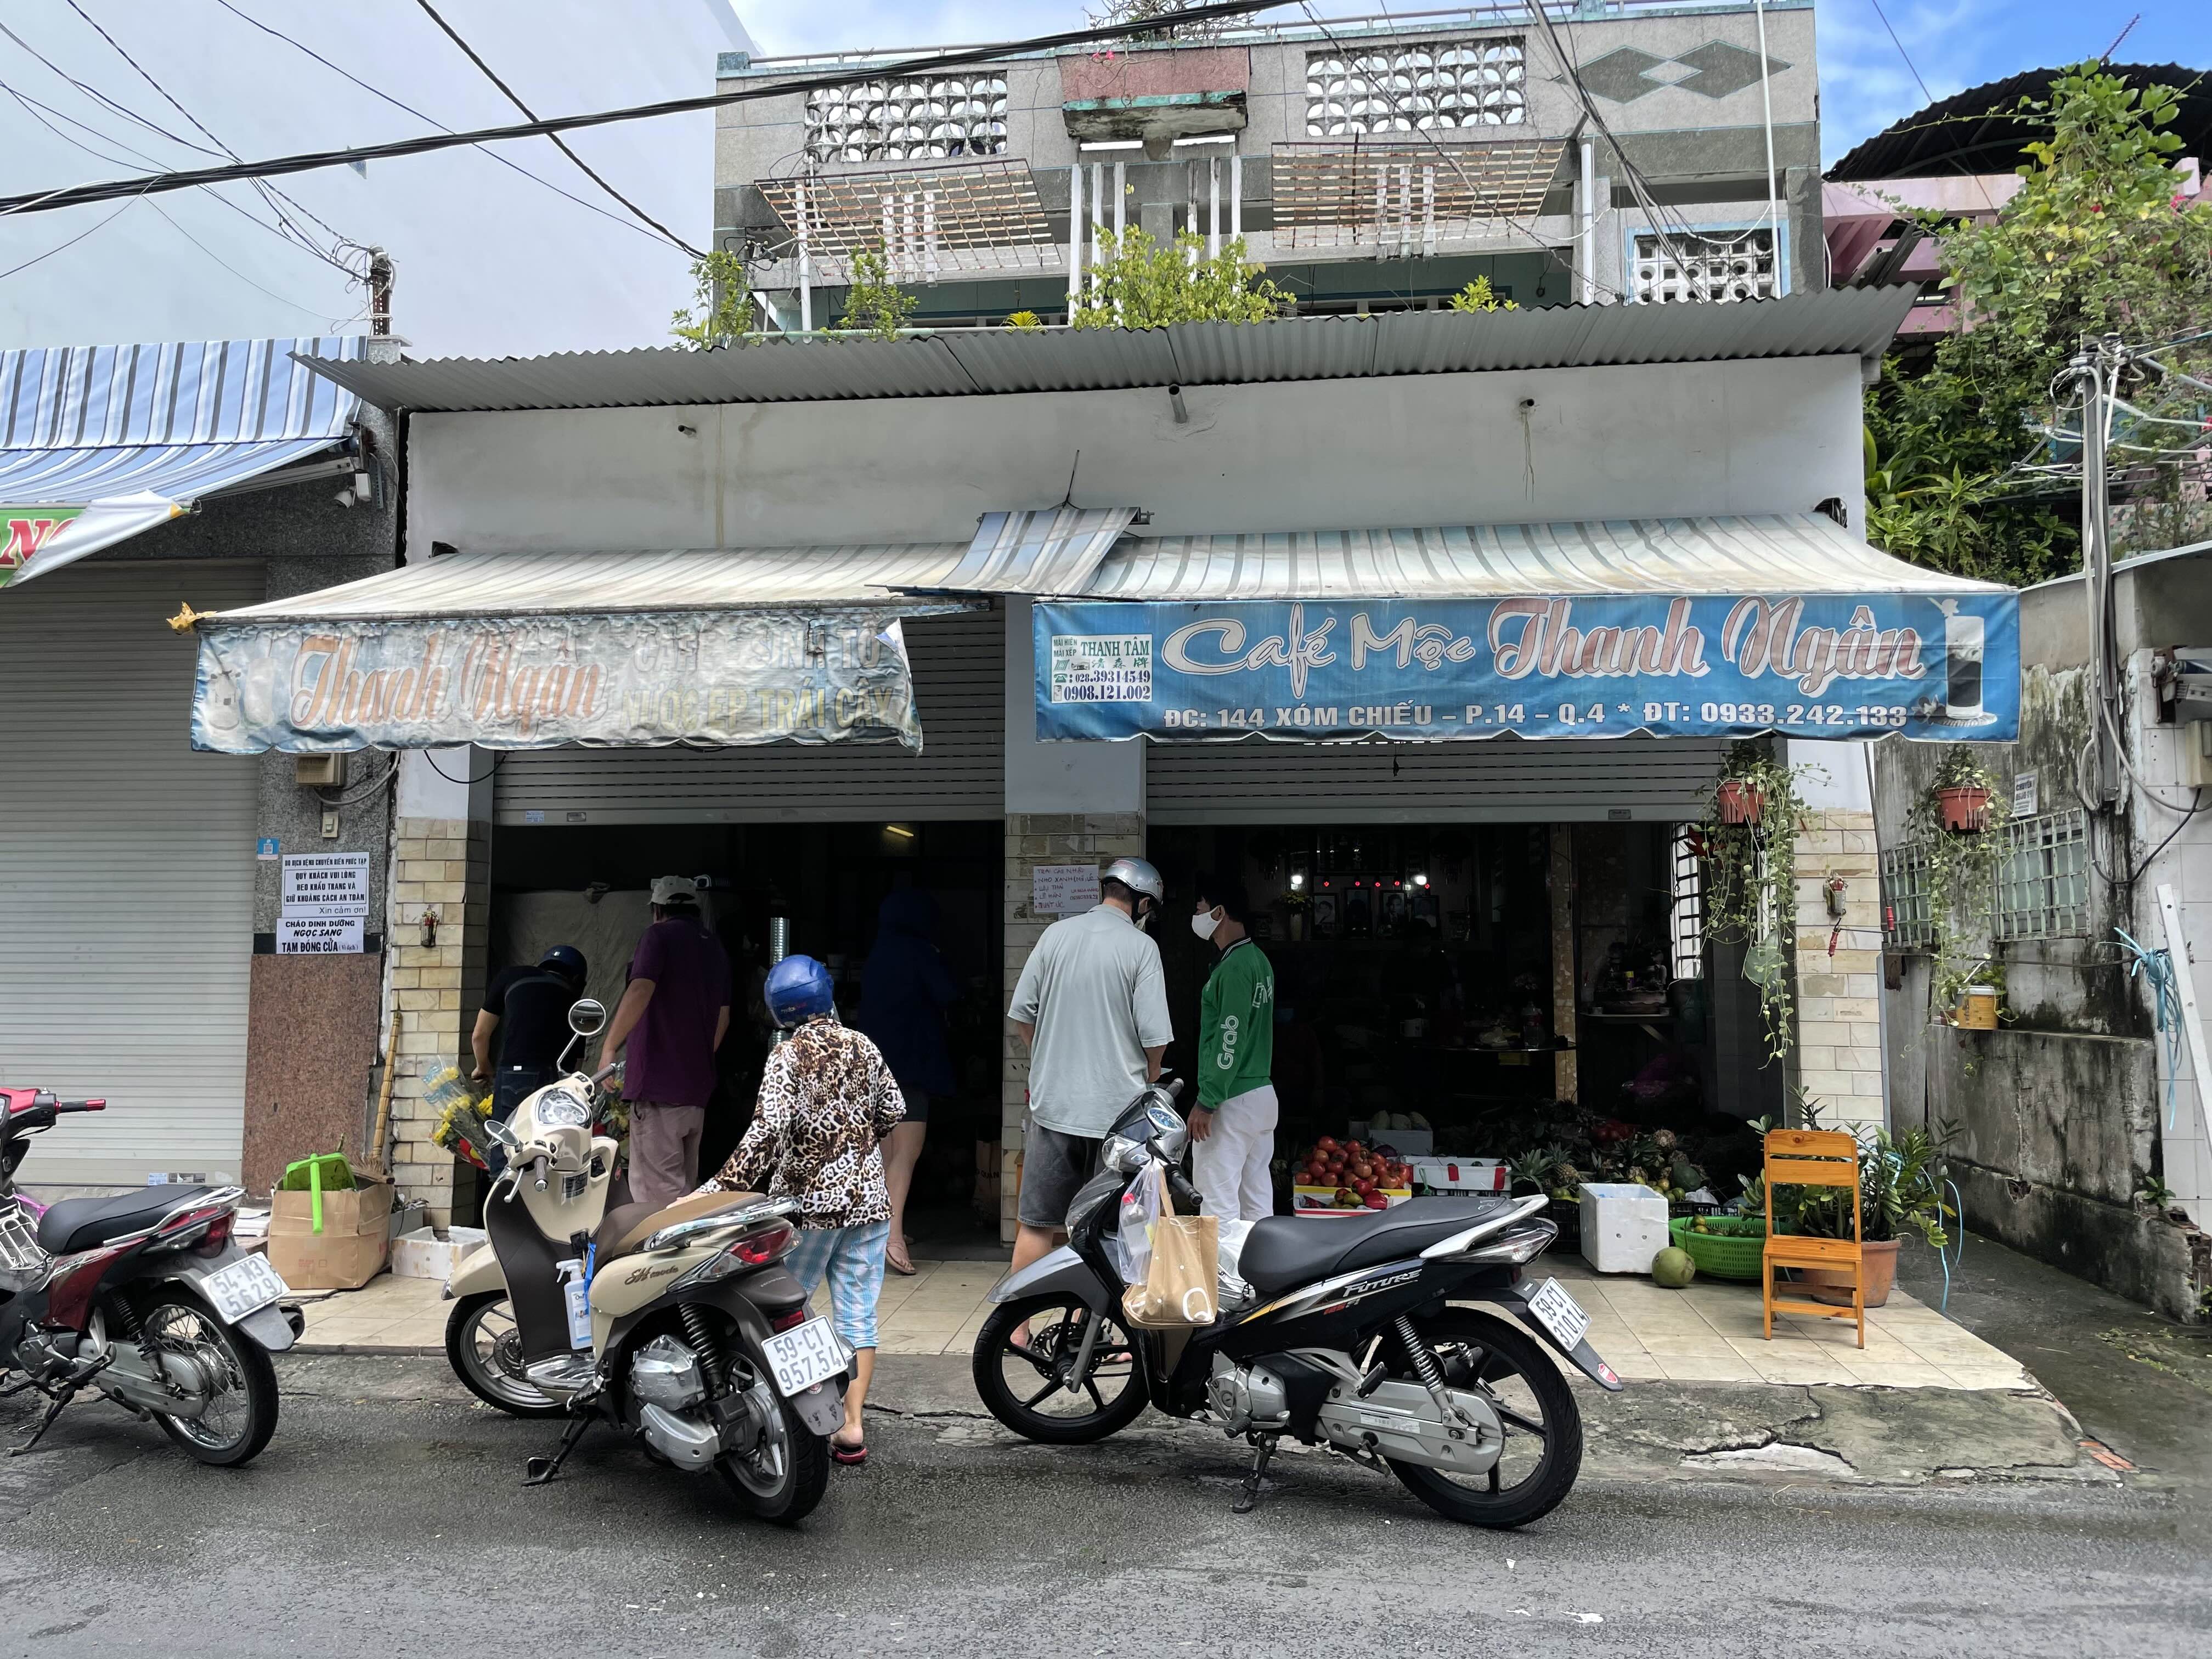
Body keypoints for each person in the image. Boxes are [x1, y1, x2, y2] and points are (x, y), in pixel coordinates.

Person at [701, 953, 903, 1466]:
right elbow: (893, 1111)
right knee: (858, 1314)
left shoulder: (787, 1056)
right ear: (827, 996)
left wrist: (719, 1189)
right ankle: (851, 1427)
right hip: (869, 1204)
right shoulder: (863, 1045)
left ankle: (802, 1419)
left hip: (809, 1210)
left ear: (777, 1010)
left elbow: (767, 1132)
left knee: (787, 1311)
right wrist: (855, 1148)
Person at [1006, 856, 1173, 1288]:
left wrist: (1046, 1058)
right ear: (1143, 904)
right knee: (1117, 1228)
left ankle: (1018, 1323)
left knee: (1037, 1225)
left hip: (1053, 1108)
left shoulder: (1055, 935)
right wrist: (1152, 1074)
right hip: (1116, 1117)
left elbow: (1022, 1015)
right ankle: (1101, 1324)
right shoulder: (1141, 948)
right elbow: (1155, 1038)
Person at [599, 876, 732, 1206]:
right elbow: (724, 1016)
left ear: (657, 910)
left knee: (656, 1200)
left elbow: (640, 989)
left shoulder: (657, 936)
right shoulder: (713, 946)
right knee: (684, 1191)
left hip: (659, 1089)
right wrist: (697, 1058)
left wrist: (609, 1047)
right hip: (695, 1092)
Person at [854, 888, 960, 1277]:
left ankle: (878, 1231)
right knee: (906, 1154)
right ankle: (893, 1238)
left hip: (875, 1067)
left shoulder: (878, 953)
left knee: (885, 1155)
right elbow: (949, 993)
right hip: (911, 1068)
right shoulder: (919, 951)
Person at [1188, 874, 1278, 1223]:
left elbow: (1231, 1036)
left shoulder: (1234, 968)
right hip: (1261, 1095)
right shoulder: (1259, 961)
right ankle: (1262, 1260)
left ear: (1219, 912)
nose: (1196, 916)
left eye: (1200, 909)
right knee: (1256, 1202)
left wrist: (1207, 1101)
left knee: (1217, 1206)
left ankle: (1223, 1263)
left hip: (1231, 1099)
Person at [472, 945, 587, 1121]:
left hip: (514, 1075)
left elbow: (479, 1035)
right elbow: (576, 1065)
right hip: (554, 1078)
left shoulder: (511, 976)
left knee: (506, 1134)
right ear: (578, 979)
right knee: (549, 1135)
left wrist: (483, 1067)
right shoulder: (577, 1003)